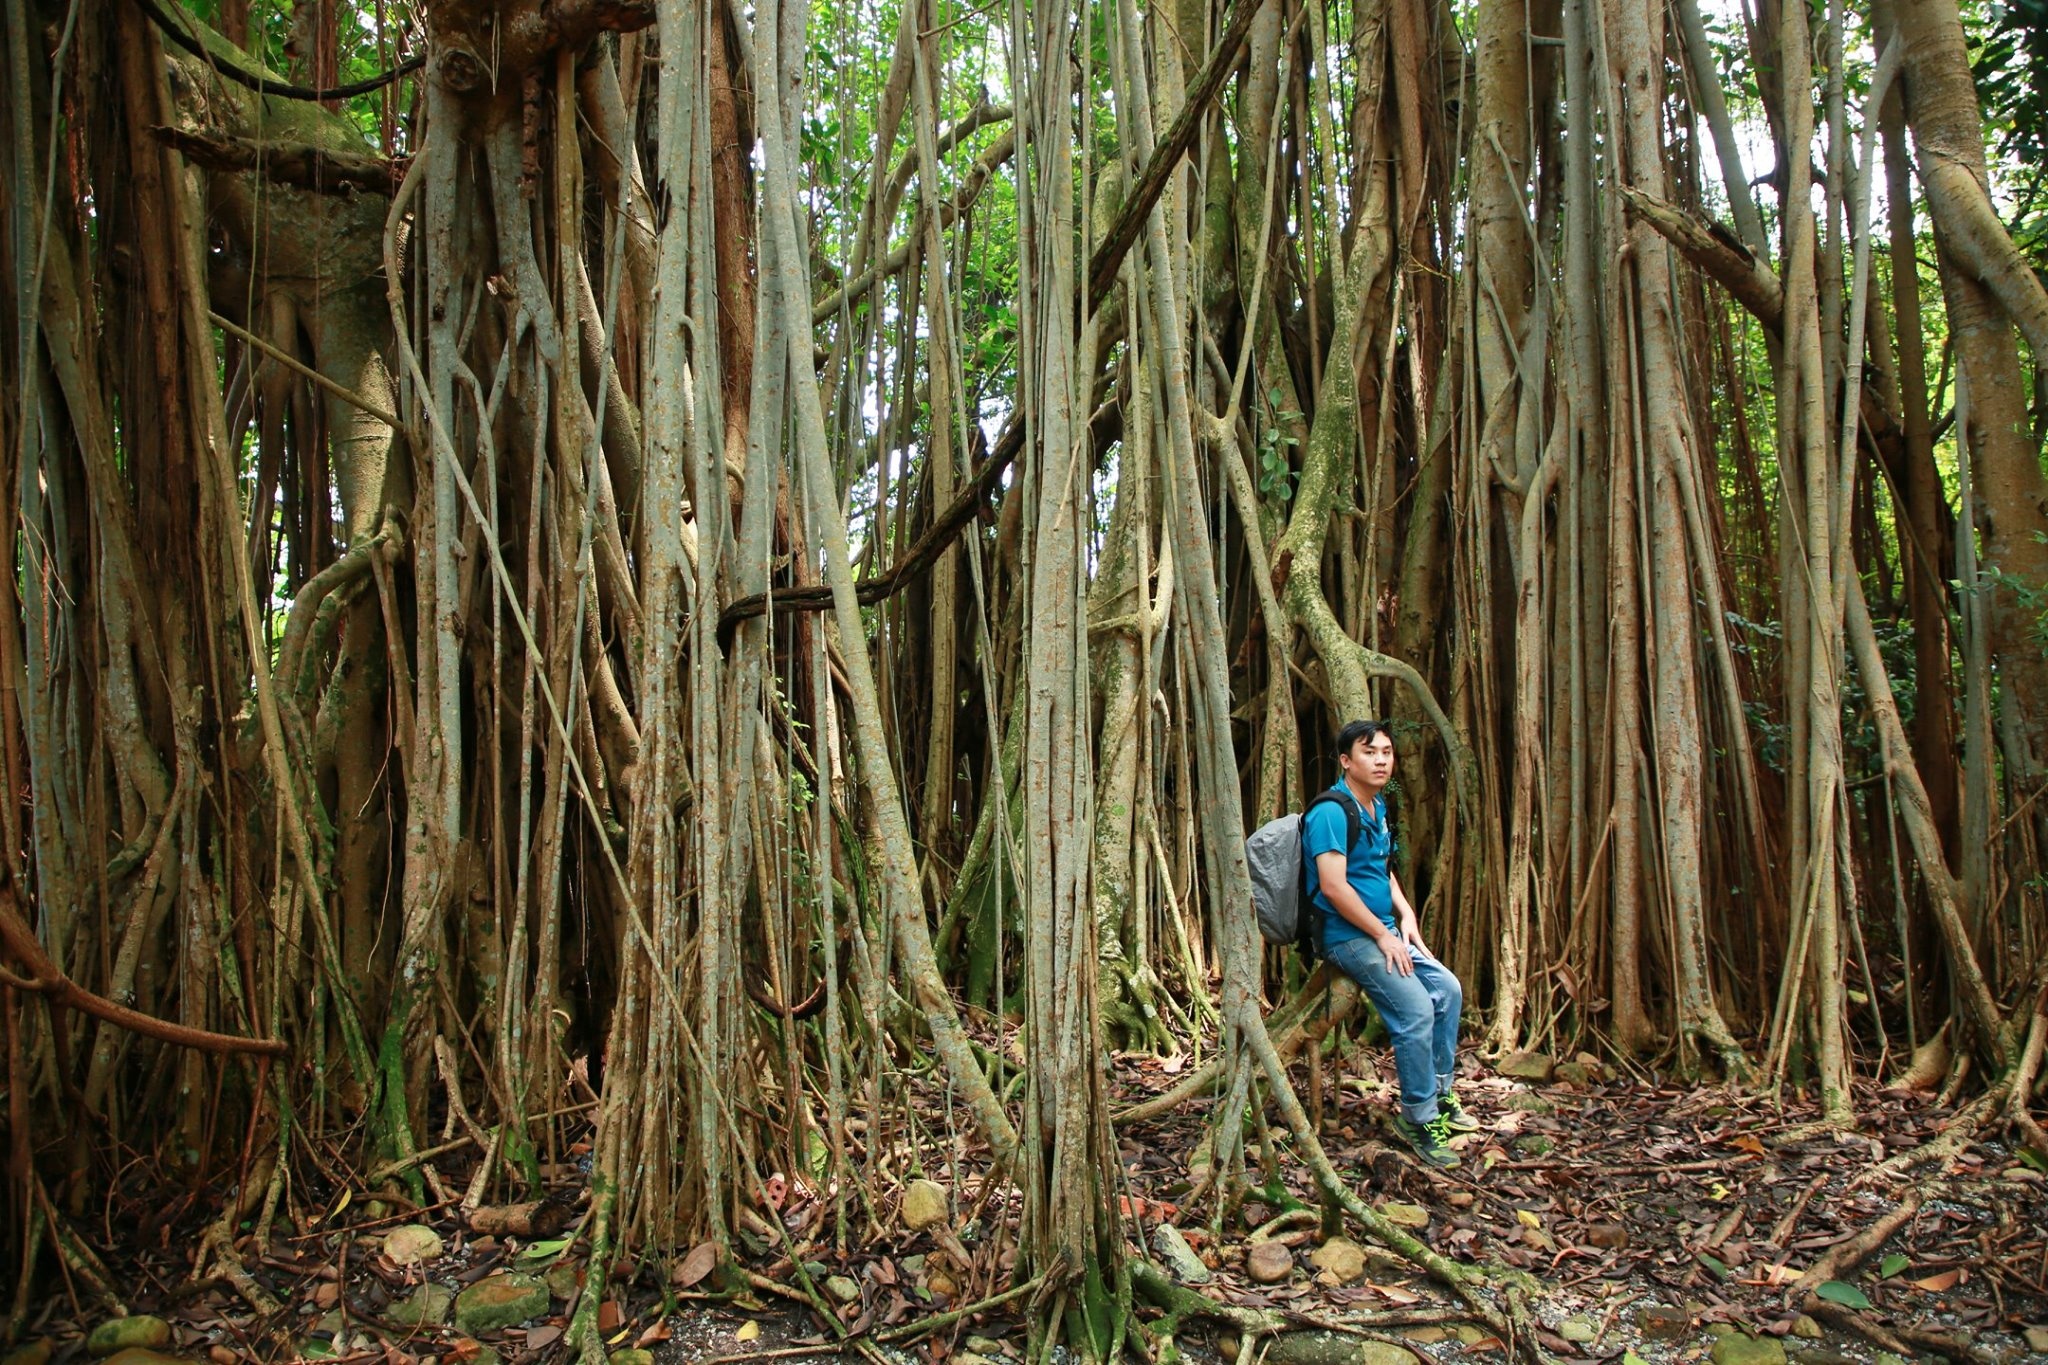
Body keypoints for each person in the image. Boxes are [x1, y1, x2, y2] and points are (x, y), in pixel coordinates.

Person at [1302, 719, 1474, 1169]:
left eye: (1386, 753)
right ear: (1346, 761)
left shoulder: (1375, 807)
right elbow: (1334, 887)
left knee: (1447, 989)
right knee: (1415, 1009)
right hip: (1348, 937)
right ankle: (1416, 1120)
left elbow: (1381, 869)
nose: (1381, 760)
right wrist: (1381, 934)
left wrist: (1406, 915)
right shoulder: (1331, 813)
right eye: (1369, 752)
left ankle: (1439, 1095)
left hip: (1383, 931)